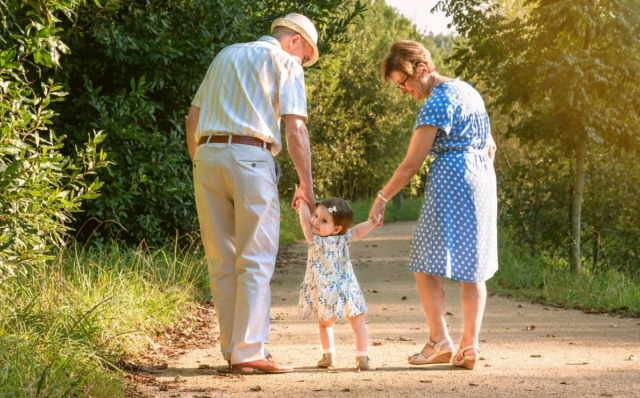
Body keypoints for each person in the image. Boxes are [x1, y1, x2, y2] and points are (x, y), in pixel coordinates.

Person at [185, 13, 320, 374]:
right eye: (305, 55)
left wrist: (200, 164)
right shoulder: (285, 62)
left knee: (221, 259)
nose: (303, 62)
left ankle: (232, 349)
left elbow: (192, 117)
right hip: (251, 156)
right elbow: (296, 129)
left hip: (208, 155)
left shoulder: (226, 54)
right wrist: (306, 184)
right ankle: (249, 351)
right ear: (294, 42)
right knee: (256, 258)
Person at [368, 40, 498, 371]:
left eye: (404, 82)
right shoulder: (468, 91)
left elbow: (411, 164)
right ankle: (469, 346)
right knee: (474, 266)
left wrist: (381, 198)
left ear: (423, 70)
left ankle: (439, 340)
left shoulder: (434, 104)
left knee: (424, 262)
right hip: (483, 179)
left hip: (451, 179)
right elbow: (491, 146)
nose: (402, 91)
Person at [296, 197, 378, 370]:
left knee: (325, 324)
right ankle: (362, 357)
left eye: (324, 220)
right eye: (316, 215)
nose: (316, 221)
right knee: (358, 324)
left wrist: (302, 204)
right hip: (349, 288)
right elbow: (357, 231)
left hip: (327, 292)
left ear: (337, 229)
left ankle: (328, 356)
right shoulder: (343, 237)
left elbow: (304, 222)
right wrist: (372, 222)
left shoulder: (315, 240)